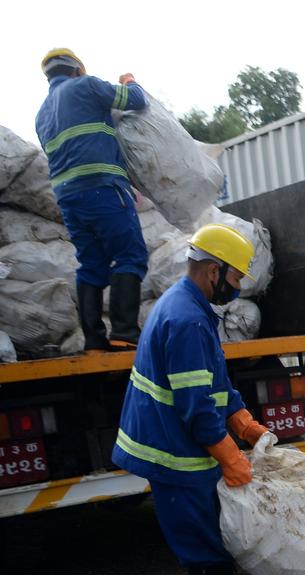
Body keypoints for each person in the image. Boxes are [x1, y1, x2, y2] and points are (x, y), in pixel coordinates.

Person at [112, 224, 279, 575]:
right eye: (236, 277)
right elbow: (196, 406)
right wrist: (230, 456)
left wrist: (243, 421)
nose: (238, 287)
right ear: (212, 270)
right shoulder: (185, 319)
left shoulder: (193, 308)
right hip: (170, 451)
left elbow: (213, 381)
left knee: (213, 526)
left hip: (180, 441)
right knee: (199, 537)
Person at [35, 48, 149, 353]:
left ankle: (95, 339)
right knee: (130, 255)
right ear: (76, 69)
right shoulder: (86, 86)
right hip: (103, 188)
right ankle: (125, 332)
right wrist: (130, 81)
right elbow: (136, 100)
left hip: (69, 199)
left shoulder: (42, 114)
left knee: (91, 263)